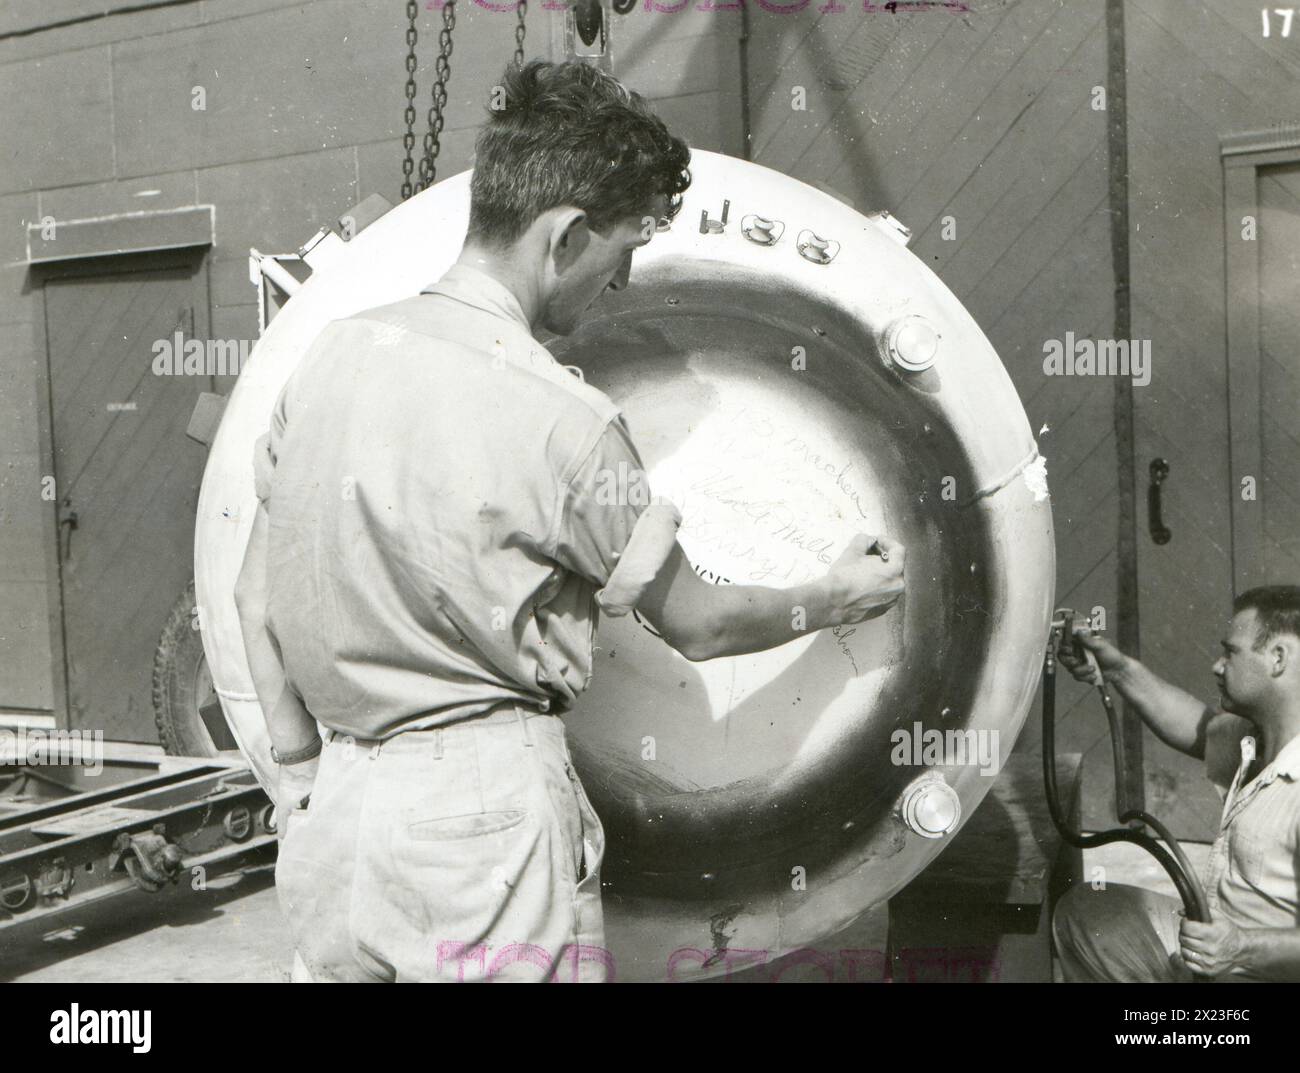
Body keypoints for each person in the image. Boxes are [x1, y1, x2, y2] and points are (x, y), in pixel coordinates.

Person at [234, 59, 906, 983]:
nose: (620, 284)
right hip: (481, 835)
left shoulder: (327, 361)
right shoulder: (564, 420)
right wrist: (836, 592)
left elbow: (254, 593)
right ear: (566, 235)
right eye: (621, 254)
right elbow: (700, 623)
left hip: (333, 825)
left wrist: (301, 769)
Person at [1052, 586, 1300, 982]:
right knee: (1088, 914)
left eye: (1231, 652)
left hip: (1262, 969)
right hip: (1220, 947)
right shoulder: (1258, 739)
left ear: (1278, 658)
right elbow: (1196, 728)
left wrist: (1241, 947)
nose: (1217, 666)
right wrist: (1114, 669)